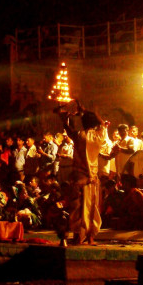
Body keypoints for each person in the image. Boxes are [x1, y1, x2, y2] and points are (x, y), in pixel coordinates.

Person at [56, 101, 108, 245]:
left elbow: (68, 128)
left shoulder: (80, 136)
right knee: (91, 207)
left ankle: (78, 235)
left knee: (78, 207)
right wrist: (87, 111)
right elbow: (102, 123)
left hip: (80, 178)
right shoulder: (99, 136)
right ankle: (90, 237)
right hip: (92, 178)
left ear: (83, 123)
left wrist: (64, 118)